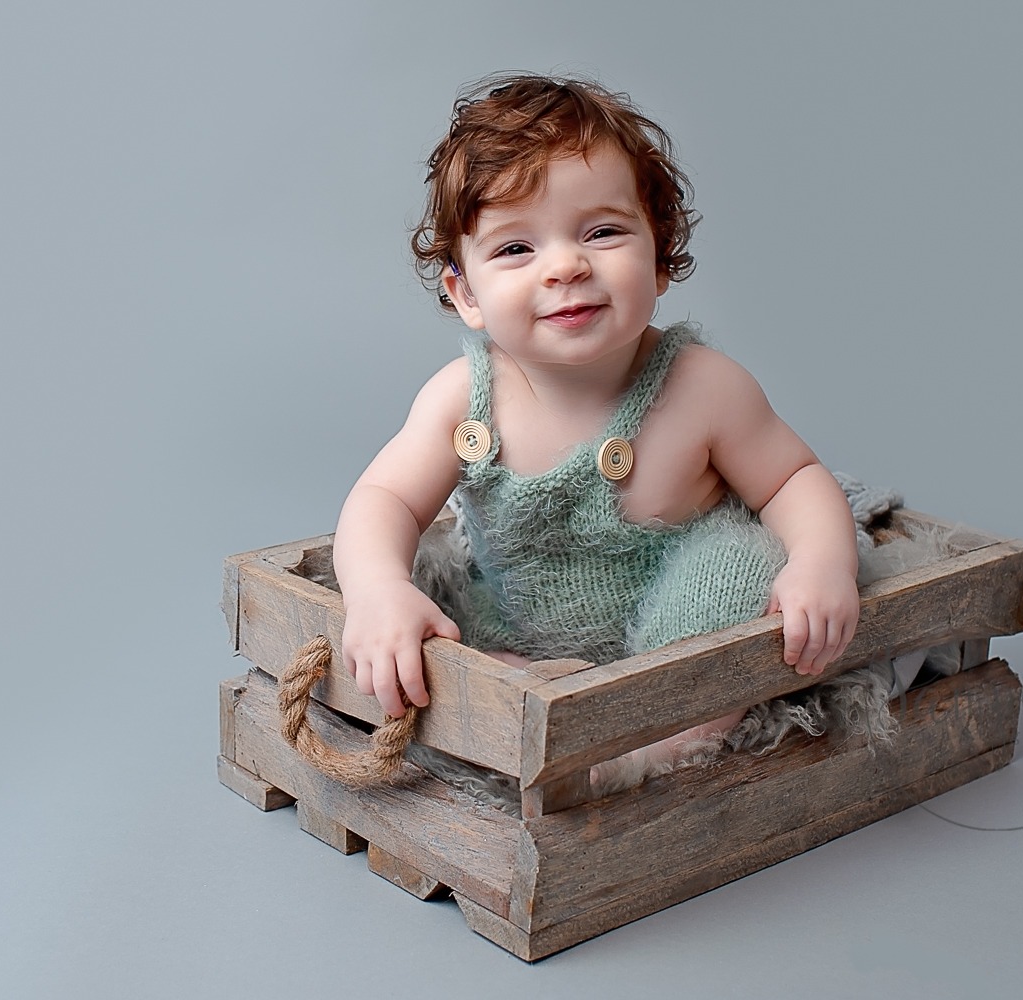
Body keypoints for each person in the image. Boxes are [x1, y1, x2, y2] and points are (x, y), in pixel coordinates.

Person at [332, 74, 861, 788]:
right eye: (515, 249)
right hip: (521, 628)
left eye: (603, 232)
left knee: (738, 567)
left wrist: (823, 563)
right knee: (451, 634)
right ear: (466, 293)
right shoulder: (463, 399)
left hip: (675, 627)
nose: (565, 266)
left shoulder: (703, 386)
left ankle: (651, 751)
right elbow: (385, 499)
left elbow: (794, 479)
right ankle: (522, 708)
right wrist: (376, 590)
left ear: (659, 254)